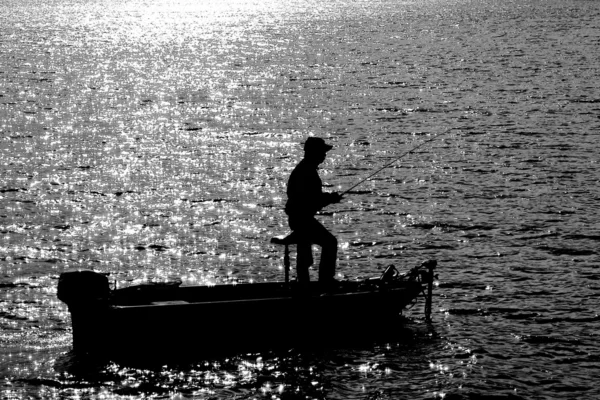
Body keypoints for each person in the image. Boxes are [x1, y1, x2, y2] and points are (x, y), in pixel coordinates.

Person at [285, 137, 342, 286]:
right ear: (314, 153)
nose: (324, 155)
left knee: (307, 256)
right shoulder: (306, 172)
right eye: (322, 152)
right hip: (302, 220)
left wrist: (328, 198)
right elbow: (310, 200)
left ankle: (306, 283)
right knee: (330, 242)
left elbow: (311, 199)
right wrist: (330, 199)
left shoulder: (305, 169)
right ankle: (324, 281)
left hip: (300, 218)